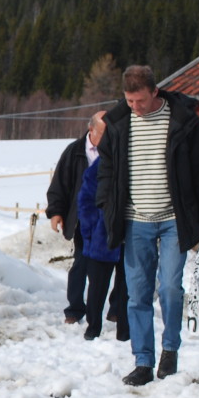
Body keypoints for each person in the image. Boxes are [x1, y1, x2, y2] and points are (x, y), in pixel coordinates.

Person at [93, 65, 199, 385]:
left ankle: (170, 349)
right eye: (129, 101)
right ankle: (143, 362)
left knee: (170, 288)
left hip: (174, 218)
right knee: (137, 294)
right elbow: (106, 170)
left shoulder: (183, 120)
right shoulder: (119, 124)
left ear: (154, 92)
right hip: (135, 219)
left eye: (140, 101)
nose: (135, 107)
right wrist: (106, 206)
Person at [75, 139, 129, 341]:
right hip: (101, 236)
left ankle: (125, 330)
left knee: (127, 287)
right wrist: (90, 229)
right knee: (97, 286)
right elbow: (85, 198)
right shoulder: (101, 165)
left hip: (130, 236)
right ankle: (93, 327)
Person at [45, 127, 91, 325]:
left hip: (109, 217)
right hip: (82, 217)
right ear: (92, 130)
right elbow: (60, 183)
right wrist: (56, 212)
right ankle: (74, 309)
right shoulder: (75, 151)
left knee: (116, 265)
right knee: (81, 263)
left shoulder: (115, 148)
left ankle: (115, 309)